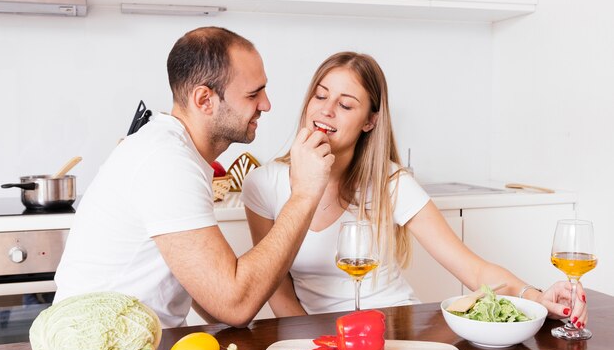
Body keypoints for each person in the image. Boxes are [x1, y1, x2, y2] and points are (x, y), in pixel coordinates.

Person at [242, 51, 588, 328]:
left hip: (393, 328)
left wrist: (537, 295)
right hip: (320, 334)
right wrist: (322, 347)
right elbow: (276, 288)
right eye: (320, 96)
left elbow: (475, 271)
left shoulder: (392, 183)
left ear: (369, 122)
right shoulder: (265, 184)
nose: (326, 110)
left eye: (346, 105)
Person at [54, 27, 334, 328]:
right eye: (253, 94)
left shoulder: (173, 151)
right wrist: (304, 193)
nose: (266, 104)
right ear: (204, 100)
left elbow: (216, 300)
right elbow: (233, 304)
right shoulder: (168, 162)